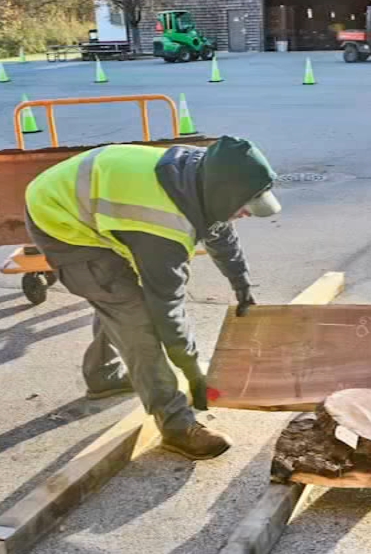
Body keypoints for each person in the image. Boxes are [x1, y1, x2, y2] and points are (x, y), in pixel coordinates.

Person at [24, 136, 281, 460]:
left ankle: (103, 377)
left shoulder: (204, 175)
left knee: (118, 300)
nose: (245, 213)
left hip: (83, 199)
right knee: (135, 316)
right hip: (59, 220)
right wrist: (192, 373)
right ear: (225, 193)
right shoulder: (164, 226)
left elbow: (220, 230)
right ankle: (176, 427)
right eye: (244, 206)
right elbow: (167, 312)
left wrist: (242, 286)